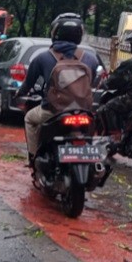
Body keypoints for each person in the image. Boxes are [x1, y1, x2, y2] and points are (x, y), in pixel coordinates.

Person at [16, 13, 100, 163]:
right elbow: (92, 82)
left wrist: (20, 94)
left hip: (52, 111)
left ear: (55, 32)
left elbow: (28, 84)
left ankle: (33, 157)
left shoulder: (43, 57)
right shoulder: (90, 58)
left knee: (29, 118)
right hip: (83, 112)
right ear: (79, 34)